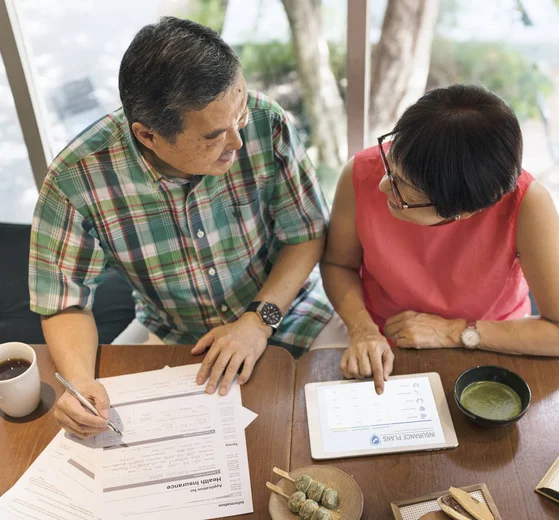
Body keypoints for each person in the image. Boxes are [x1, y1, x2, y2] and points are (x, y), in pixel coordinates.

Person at [29, 17, 333, 438]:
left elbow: (307, 232)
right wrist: (79, 381)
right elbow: (63, 299)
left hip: (288, 310)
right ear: (148, 135)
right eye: (213, 136)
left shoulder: (266, 121)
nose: (238, 143)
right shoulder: (75, 178)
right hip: (179, 337)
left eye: (239, 114)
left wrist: (257, 322)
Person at [321, 84, 559, 395]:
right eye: (390, 164)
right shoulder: (360, 173)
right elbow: (337, 264)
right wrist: (363, 330)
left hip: (493, 343)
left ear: (465, 212)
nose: (382, 185)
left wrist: (453, 332)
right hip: (377, 337)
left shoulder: (527, 204)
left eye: (403, 188)